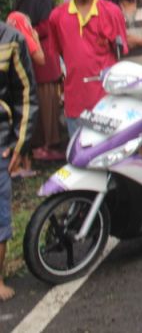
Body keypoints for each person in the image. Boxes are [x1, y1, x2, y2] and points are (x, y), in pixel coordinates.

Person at [49, 0, 127, 140]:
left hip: (106, 100)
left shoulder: (112, 11)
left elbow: (119, 53)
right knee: (79, 155)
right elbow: (59, 53)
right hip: (75, 99)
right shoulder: (57, 16)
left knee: (105, 154)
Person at [8, 0, 63, 162]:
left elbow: (45, 27)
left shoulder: (44, 0)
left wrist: (24, 33)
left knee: (47, 104)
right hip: (27, 59)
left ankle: (48, 144)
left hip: (43, 61)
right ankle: (37, 144)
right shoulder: (18, 0)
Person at [0, 18, 37, 300]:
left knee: (0, 218)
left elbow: (25, 96)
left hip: (0, 142)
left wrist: (19, 144)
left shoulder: (10, 38)